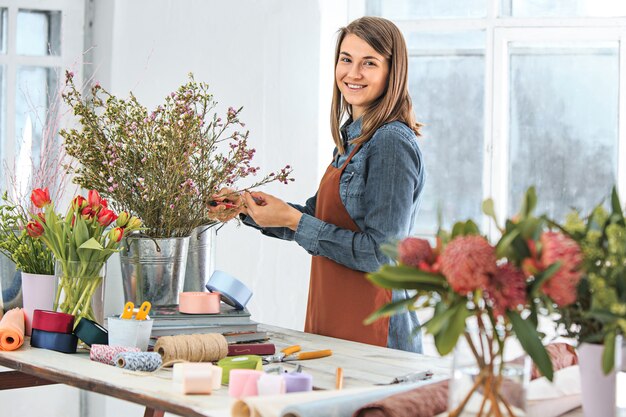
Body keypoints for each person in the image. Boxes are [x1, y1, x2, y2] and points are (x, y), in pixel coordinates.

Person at [211, 16, 425, 353]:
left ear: (392, 71)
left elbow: (380, 255)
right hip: (334, 320)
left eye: (369, 63)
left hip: (377, 333)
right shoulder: (351, 140)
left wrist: (293, 220)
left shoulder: (390, 143)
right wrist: (245, 208)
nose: (353, 73)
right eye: (346, 59)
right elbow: (318, 220)